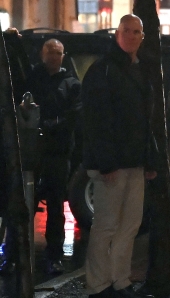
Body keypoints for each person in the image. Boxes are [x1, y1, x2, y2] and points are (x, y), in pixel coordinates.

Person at [81, 14, 156, 298]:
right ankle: (98, 284)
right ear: (117, 34)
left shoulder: (136, 70)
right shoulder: (104, 71)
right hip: (113, 163)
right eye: (127, 31)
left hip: (134, 161)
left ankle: (119, 280)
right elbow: (97, 121)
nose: (133, 36)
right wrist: (106, 163)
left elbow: (144, 120)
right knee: (107, 225)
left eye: (137, 31)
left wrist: (148, 159)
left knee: (129, 225)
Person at [0, 38, 82, 275]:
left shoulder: (71, 84)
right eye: (50, 52)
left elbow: (74, 117)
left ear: (63, 55)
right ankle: (13, 254)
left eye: (57, 52)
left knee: (55, 207)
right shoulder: (31, 79)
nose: (54, 57)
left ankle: (53, 256)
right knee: (23, 203)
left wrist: (49, 125)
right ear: (42, 54)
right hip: (32, 152)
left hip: (57, 153)